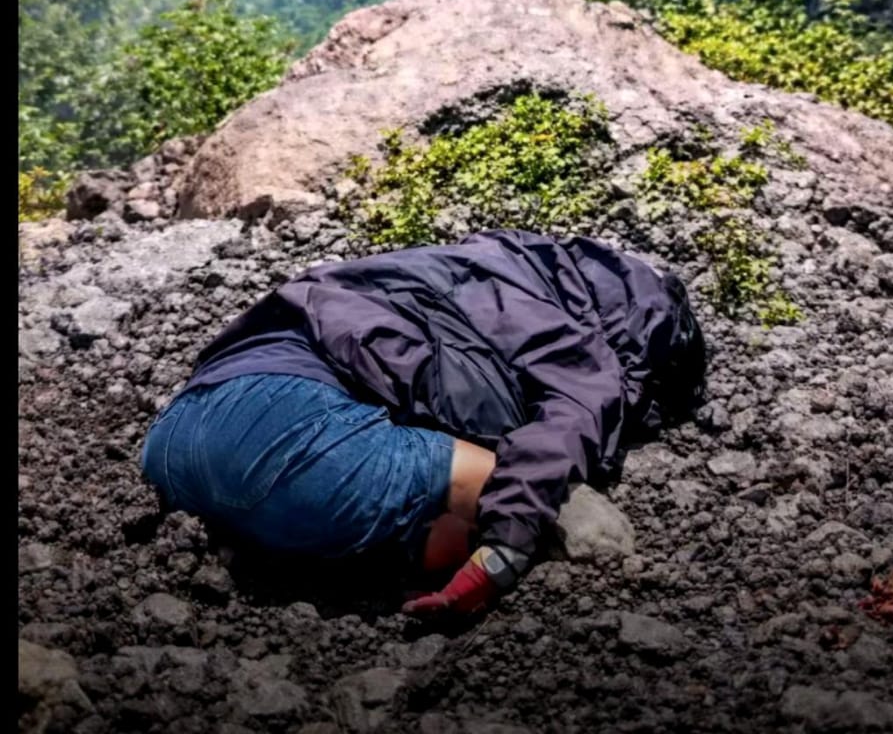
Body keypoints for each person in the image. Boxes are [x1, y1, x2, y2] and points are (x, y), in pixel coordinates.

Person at [141, 228, 706, 615]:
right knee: (504, 491)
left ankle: (279, 535)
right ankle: (404, 539)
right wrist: (505, 553)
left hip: (174, 442)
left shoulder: (470, 264)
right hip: (298, 448)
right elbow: (567, 421)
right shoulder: (585, 340)